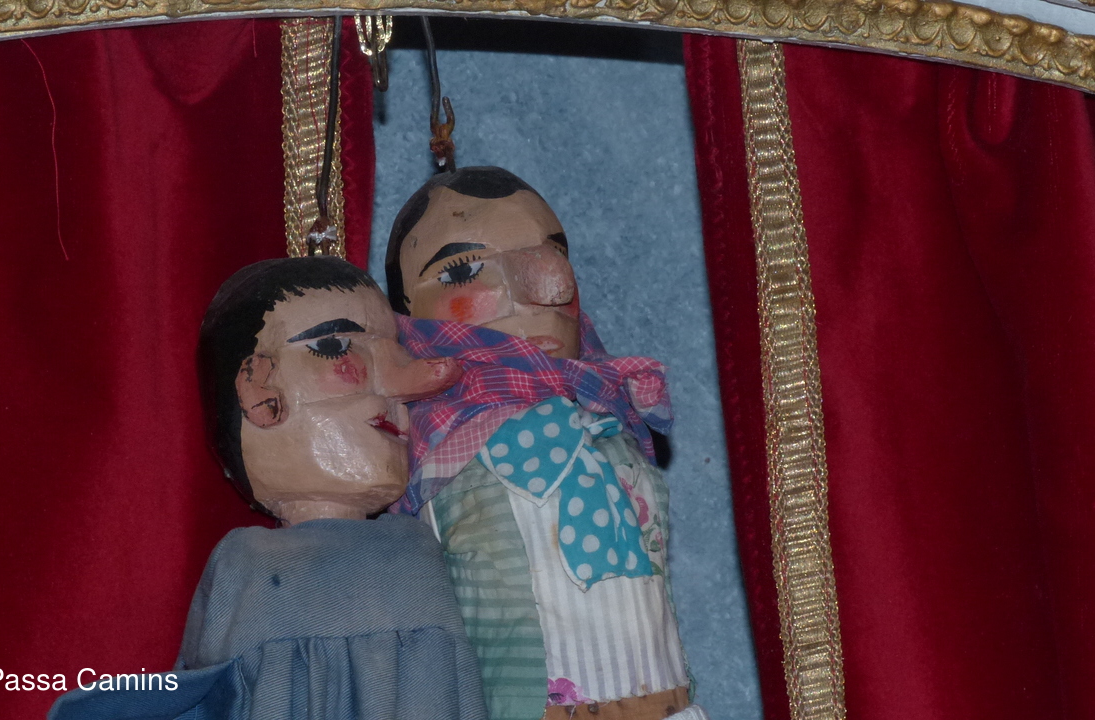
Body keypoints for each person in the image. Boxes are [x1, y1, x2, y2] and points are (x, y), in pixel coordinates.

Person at [49, 257, 486, 720]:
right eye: (336, 345)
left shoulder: (417, 546)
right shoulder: (246, 563)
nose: (409, 383)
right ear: (257, 392)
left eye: (396, 350)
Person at [385, 167, 707, 720]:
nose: (543, 285)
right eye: (463, 270)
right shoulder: (433, 455)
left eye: (551, 254)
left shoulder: (613, 421)